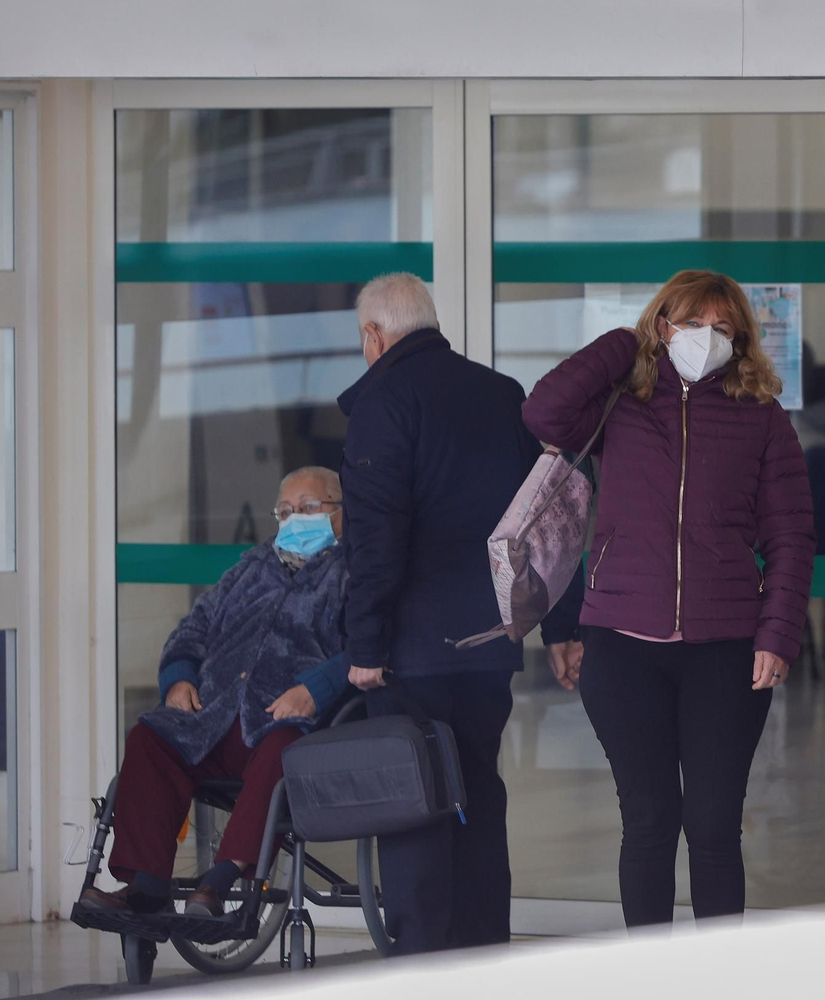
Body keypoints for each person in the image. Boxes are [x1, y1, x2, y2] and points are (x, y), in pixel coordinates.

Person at [525, 270, 815, 930]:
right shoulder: (619, 404)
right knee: (650, 820)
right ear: (663, 326)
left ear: (739, 337)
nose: (706, 338)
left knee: (713, 825)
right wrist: (621, 348)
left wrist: (777, 634)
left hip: (727, 651)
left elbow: (793, 534)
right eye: (692, 324)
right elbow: (541, 411)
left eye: (722, 328)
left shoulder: (760, 415)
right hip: (624, 648)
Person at [338, 272, 581, 954]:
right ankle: (482, 956)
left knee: (414, 807)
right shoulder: (501, 395)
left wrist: (366, 643)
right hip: (487, 645)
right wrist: (563, 627)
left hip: (411, 650)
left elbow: (375, 540)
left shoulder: (382, 403)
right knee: (476, 792)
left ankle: (424, 968)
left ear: (373, 336)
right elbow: (548, 522)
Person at [78, 467, 350, 918]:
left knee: (284, 748)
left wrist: (314, 689)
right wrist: (180, 677)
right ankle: (146, 889)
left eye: (309, 508)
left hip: (286, 721)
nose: (295, 518)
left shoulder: (354, 573)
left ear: (341, 514)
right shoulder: (251, 568)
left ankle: (219, 882)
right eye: (286, 511)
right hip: (216, 717)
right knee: (151, 738)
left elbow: (367, 649)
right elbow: (194, 627)